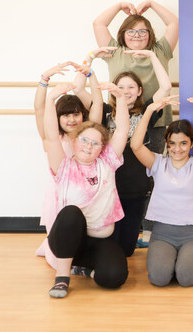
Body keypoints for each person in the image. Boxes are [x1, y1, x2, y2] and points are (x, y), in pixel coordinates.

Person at [130, 96, 193, 287]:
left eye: (183, 143)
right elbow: (136, 146)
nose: (177, 149)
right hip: (162, 233)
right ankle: (170, 264)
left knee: (187, 279)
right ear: (167, 143)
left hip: (192, 234)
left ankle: (181, 264)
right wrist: (149, 110)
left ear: (192, 143)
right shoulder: (158, 163)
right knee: (158, 279)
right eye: (172, 143)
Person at [43, 81, 129, 298]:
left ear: (103, 148)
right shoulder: (63, 165)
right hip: (66, 239)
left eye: (95, 143)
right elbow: (52, 135)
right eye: (84, 140)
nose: (89, 146)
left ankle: (83, 269)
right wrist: (50, 98)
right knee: (71, 213)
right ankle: (62, 279)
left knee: (114, 278)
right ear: (74, 142)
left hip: (97, 242)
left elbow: (122, 130)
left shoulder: (107, 162)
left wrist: (120, 98)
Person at [34, 51, 112, 268]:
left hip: (87, 194)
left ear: (82, 116)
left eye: (76, 114)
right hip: (59, 195)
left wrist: (91, 69)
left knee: (84, 233)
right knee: (59, 245)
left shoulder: (87, 135)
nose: (71, 119)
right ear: (57, 117)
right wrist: (44, 79)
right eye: (66, 115)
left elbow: (97, 103)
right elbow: (39, 109)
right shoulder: (52, 137)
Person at [101, 49, 171, 257]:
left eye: (131, 87)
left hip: (136, 191)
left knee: (127, 250)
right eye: (121, 87)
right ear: (114, 90)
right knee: (109, 246)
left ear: (140, 91)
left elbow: (165, 87)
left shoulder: (148, 111)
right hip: (109, 191)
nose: (126, 91)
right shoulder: (105, 112)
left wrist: (152, 57)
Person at [93, 0, 178, 153]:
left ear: (149, 34)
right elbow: (99, 24)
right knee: (117, 167)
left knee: (149, 171)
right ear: (123, 34)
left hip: (154, 121)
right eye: (130, 31)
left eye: (142, 31)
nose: (136, 36)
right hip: (118, 119)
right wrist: (119, 6)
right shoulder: (114, 51)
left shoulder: (160, 51)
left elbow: (174, 23)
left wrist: (152, 4)